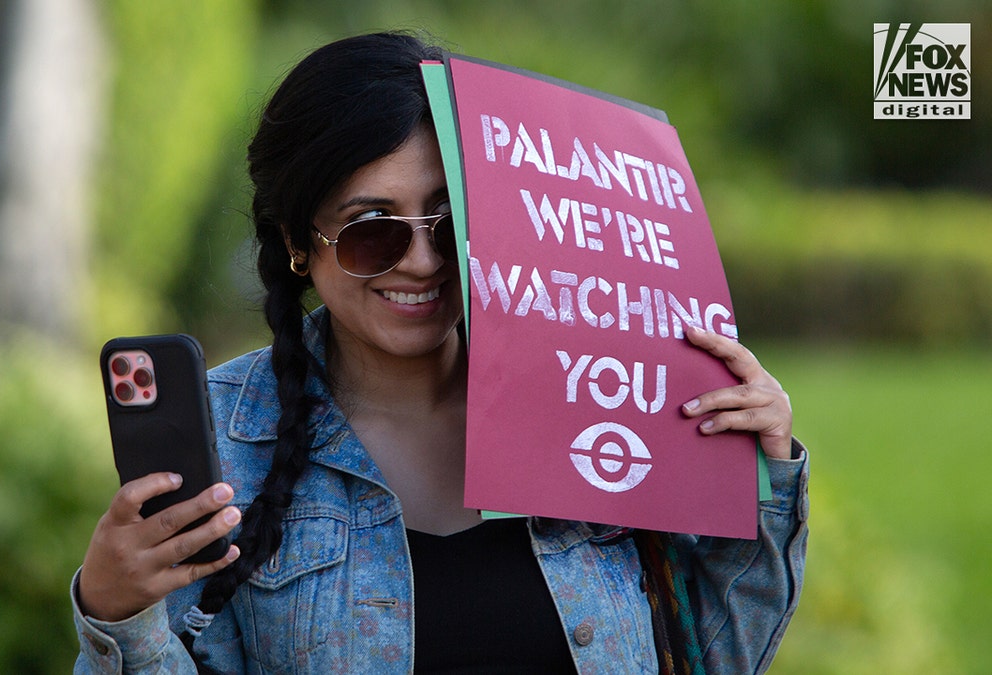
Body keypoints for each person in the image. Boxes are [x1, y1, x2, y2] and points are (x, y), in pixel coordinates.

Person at [72, 32, 808, 674]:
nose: (422, 261)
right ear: (298, 244)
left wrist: (759, 474)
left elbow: (719, 656)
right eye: (372, 230)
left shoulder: (605, 387)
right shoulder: (226, 447)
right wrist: (115, 611)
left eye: (450, 222)